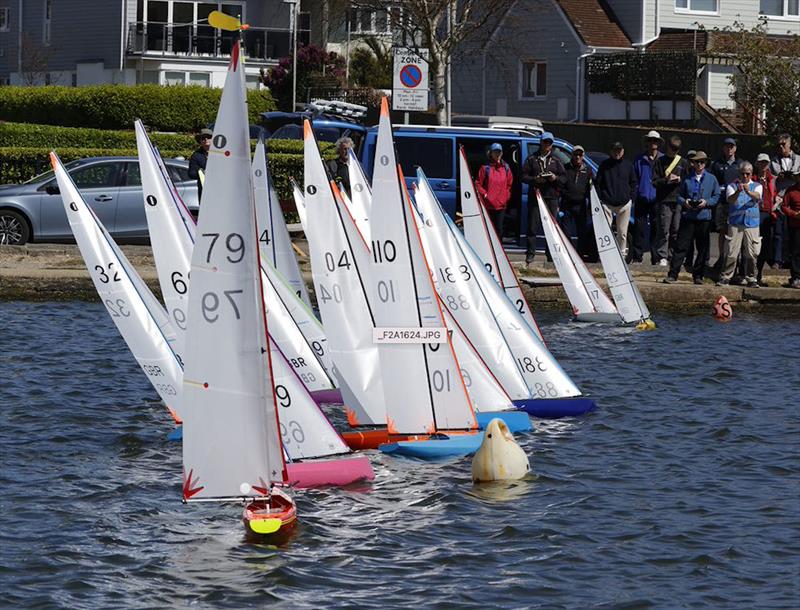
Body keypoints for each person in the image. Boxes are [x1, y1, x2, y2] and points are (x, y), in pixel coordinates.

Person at [663, 151, 719, 285]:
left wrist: (706, 202)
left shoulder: (712, 179)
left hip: (704, 217)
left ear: (705, 163)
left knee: (703, 249)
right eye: (697, 162)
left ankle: (698, 275)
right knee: (681, 247)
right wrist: (685, 202)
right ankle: (673, 274)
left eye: (702, 162)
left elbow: (716, 196)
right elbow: (679, 196)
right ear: (693, 163)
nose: (699, 164)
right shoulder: (687, 178)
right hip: (688, 217)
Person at [521, 132, 565, 265]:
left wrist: (555, 178)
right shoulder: (531, 159)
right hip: (536, 196)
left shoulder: (556, 161)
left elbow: (564, 178)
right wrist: (535, 179)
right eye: (545, 142)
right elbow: (523, 176)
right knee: (532, 227)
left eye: (550, 143)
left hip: (551, 197)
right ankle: (530, 254)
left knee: (551, 227)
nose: (547, 145)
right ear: (541, 142)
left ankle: (551, 255)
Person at [717, 161, 763, 287]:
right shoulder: (732, 186)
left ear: (751, 174)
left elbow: (758, 197)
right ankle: (726, 276)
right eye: (742, 174)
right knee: (731, 251)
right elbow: (730, 199)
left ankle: (751, 278)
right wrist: (738, 191)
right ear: (739, 174)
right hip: (735, 223)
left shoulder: (757, 185)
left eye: (747, 174)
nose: (745, 176)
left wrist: (748, 192)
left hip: (752, 224)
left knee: (752, 252)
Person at [652, 134, 690, 267]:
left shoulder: (683, 162)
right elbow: (654, 182)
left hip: (679, 200)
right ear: (667, 147)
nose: (674, 151)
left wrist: (680, 180)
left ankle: (673, 255)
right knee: (664, 229)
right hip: (664, 199)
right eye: (672, 148)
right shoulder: (659, 162)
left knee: (676, 229)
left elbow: (688, 181)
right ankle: (662, 255)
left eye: (676, 149)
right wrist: (666, 180)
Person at [595, 141, 638, 256]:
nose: (617, 153)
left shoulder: (629, 165)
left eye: (619, 150)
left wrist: (631, 199)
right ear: (611, 151)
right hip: (607, 204)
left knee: (622, 233)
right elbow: (598, 183)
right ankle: (605, 254)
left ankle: (622, 254)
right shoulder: (604, 165)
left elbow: (634, 183)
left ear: (623, 151)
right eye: (615, 150)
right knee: (605, 231)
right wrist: (600, 199)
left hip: (624, 204)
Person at [710, 137, 743, 270]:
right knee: (723, 231)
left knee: (736, 231)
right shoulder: (717, 164)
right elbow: (713, 182)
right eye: (727, 146)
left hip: (736, 203)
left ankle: (735, 259)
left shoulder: (740, 164)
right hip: (722, 203)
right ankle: (722, 257)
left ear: (735, 148)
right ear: (723, 148)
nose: (729, 149)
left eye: (732, 146)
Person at [631, 130, 663, 264]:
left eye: (655, 141)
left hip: (657, 199)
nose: (652, 143)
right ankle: (637, 257)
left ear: (658, 143)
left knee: (656, 229)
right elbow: (634, 179)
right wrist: (637, 193)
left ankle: (655, 257)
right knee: (639, 229)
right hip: (642, 198)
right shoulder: (639, 159)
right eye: (650, 140)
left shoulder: (663, 159)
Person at [770, 134, 800, 269]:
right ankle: (777, 259)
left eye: (783, 144)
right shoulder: (774, 160)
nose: (781, 147)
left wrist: (790, 175)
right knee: (778, 232)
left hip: (794, 199)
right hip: (779, 199)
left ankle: (790, 260)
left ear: (790, 145)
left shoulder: (799, 159)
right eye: (779, 145)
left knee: (793, 233)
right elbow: (774, 176)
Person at [559, 145, 593, 259]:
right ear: (572, 156)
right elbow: (561, 185)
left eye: (580, 155)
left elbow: (591, 188)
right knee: (565, 231)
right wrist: (564, 195)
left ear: (583, 156)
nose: (577, 157)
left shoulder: (588, 170)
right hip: (567, 204)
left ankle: (580, 255)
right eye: (575, 154)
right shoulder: (565, 168)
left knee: (582, 232)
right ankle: (568, 254)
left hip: (581, 205)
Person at [475, 143, 514, 238]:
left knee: (499, 230)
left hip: (501, 205)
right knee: (488, 229)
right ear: (491, 153)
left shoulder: (506, 168)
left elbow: (509, 184)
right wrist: (485, 195)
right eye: (495, 152)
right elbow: (478, 184)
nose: (497, 154)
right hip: (488, 205)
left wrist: (506, 196)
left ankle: (498, 251)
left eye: (499, 152)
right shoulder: (485, 168)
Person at [754, 153, 778, 286]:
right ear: (757, 163)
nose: (763, 165)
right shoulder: (752, 177)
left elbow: (776, 194)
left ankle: (758, 274)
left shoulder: (772, 179)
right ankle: (748, 274)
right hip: (754, 214)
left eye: (765, 163)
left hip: (768, 215)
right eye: (761, 162)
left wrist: (777, 202)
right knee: (752, 246)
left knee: (765, 248)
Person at [780, 168, 800, 288]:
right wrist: (794, 214)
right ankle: (796, 277)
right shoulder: (791, 190)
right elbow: (784, 206)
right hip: (795, 225)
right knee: (796, 252)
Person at [188, 128, 212, 199]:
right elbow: (191, 174)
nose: (206, 139)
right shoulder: (196, 155)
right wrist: (202, 172)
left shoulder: (221, 154)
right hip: (204, 192)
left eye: (209, 137)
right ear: (200, 141)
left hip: (221, 191)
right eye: (203, 138)